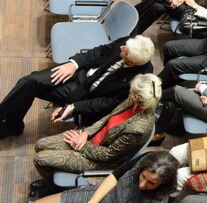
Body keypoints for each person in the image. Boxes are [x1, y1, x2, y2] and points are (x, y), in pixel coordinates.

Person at [31, 74, 162, 198]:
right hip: (90, 138)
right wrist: (86, 133)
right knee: (40, 144)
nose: (129, 90)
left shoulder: (138, 129)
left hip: (99, 160)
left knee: (40, 159)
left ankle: (53, 188)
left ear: (137, 97)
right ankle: (52, 178)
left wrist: (80, 145)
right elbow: (109, 117)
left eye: (132, 91)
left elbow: (108, 155)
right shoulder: (131, 101)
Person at [0, 36, 155, 137]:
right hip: (79, 73)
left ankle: (13, 126)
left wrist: (76, 106)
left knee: (31, 85)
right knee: (29, 80)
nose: (121, 47)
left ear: (132, 62)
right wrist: (73, 64)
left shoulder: (139, 80)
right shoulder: (129, 43)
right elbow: (99, 51)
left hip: (85, 95)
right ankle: (13, 124)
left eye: (124, 51)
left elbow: (108, 103)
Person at [36, 149, 179, 203]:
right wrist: (93, 202)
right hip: (99, 195)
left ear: (163, 183)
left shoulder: (158, 200)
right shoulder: (147, 158)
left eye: (151, 183)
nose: (142, 184)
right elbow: (115, 176)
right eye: (143, 176)